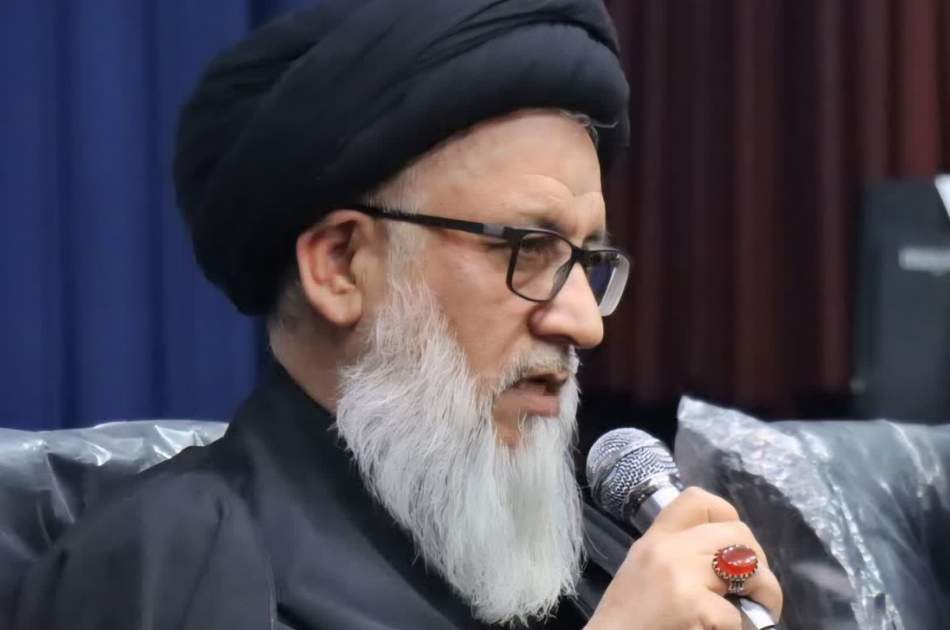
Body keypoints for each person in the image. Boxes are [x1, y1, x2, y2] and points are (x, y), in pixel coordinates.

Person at [14, 1, 783, 629]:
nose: (585, 322)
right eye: (528, 248)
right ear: (341, 264)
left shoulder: (592, 560)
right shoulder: (170, 570)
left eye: (587, 260)